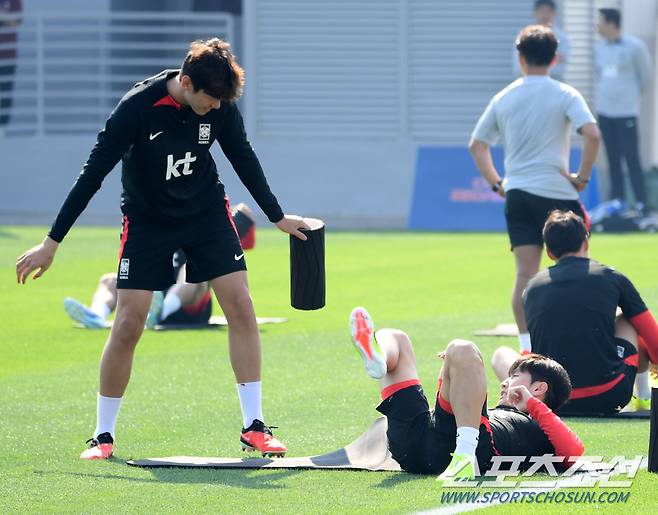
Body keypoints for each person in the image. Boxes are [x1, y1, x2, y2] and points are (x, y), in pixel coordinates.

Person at [15, 39, 310, 459]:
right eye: (208, 101)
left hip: (206, 213)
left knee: (241, 306)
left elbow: (243, 156)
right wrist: (51, 242)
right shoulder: (136, 108)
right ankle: (103, 436)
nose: (214, 109)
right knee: (130, 321)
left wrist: (277, 216)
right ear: (185, 82)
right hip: (147, 221)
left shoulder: (219, 105)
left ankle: (254, 426)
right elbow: (92, 173)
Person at [470, 25, 600, 354]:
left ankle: (528, 349)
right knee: (576, 270)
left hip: (519, 194)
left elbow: (477, 144)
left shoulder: (505, 96)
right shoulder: (566, 93)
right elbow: (593, 135)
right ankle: (577, 343)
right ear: (555, 58)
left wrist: (498, 184)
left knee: (525, 275)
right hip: (558, 194)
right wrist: (582, 178)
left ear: (520, 56)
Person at [349, 307, 583, 479]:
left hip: (475, 449)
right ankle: (378, 360)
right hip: (417, 443)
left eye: (514, 377)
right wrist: (456, 366)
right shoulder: (494, 406)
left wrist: (532, 403)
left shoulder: (541, 426)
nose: (505, 382)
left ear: (539, 389)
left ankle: (464, 457)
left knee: (462, 348)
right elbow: (501, 354)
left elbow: (574, 453)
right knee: (395, 336)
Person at [493, 210, 658, 415]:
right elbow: (653, 337)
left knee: (501, 355)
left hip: (549, 398)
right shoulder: (613, 277)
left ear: (550, 253)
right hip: (608, 394)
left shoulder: (532, 286)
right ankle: (643, 397)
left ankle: (519, 398)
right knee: (627, 318)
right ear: (586, 242)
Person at [64, 203, 256, 330]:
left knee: (191, 270)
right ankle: (97, 316)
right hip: (153, 296)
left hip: (190, 304)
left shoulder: (205, 225)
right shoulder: (152, 226)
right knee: (110, 280)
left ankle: (161, 311)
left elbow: (246, 223)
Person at [595, 8, 652, 214]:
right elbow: (600, 75)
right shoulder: (598, 49)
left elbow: (645, 78)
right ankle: (617, 202)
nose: (597, 26)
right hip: (605, 112)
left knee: (631, 158)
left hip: (626, 112)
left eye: (600, 21)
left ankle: (641, 203)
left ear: (611, 23)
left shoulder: (635, 47)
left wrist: (628, 98)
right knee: (613, 159)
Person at [512, 0, 571, 81]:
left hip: (554, 84)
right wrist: (553, 61)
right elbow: (517, 68)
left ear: (555, 13)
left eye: (549, 11)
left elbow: (560, 70)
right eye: (542, 11)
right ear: (535, 13)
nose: (545, 15)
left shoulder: (563, 38)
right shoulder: (524, 36)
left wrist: (532, 63)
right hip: (528, 83)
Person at [0, 0, 22, 135]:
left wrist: (3, 16)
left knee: (5, 93)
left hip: (7, 56)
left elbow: (16, 22)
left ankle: (2, 129)